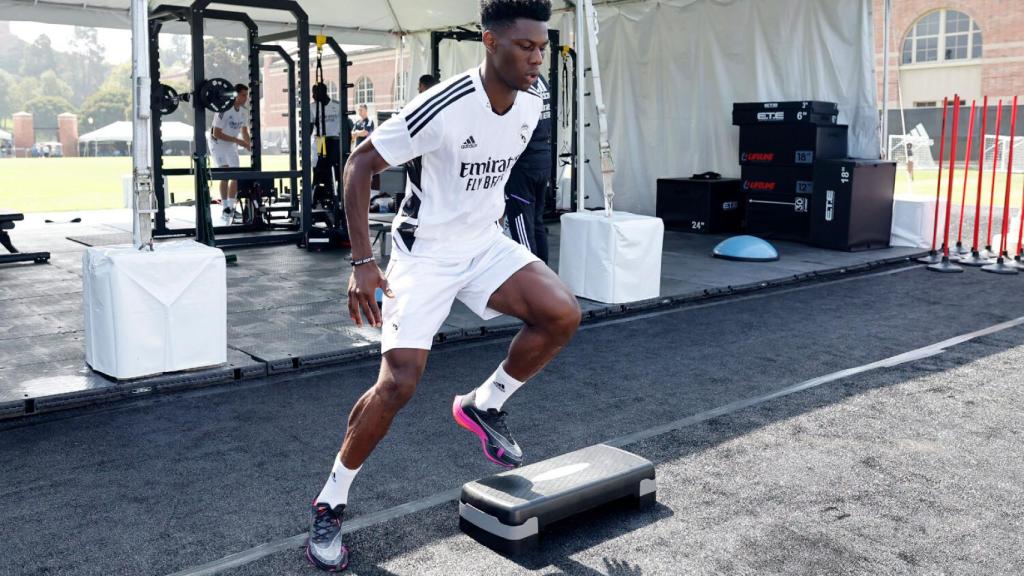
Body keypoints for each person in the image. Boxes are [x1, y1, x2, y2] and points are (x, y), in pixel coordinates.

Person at [305, 1, 579, 572]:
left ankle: (484, 404)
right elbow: (359, 165)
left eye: (542, 47)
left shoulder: (532, 103)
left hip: (482, 243)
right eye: (525, 47)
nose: (536, 58)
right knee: (399, 384)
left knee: (561, 314)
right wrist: (361, 262)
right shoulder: (443, 105)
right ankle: (331, 501)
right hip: (423, 254)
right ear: (489, 42)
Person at [504, 73, 552, 262]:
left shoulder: (520, 81)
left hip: (525, 164)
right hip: (542, 158)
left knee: (522, 225)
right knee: (537, 222)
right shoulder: (540, 80)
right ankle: (544, 276)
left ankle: (532, 279)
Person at [208, 84, 251, 223]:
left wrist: (250, 145)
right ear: (235, 95)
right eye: (243, 95)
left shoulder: (243, 112)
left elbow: (244, 132)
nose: (245, 98)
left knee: (235, 174)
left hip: (231, 144)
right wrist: (238, 141)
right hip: (218, 143)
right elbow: (217, 133)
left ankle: (232, 207)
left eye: (246, 95)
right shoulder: (224, 110)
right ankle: (225, 207)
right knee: (225, 172)